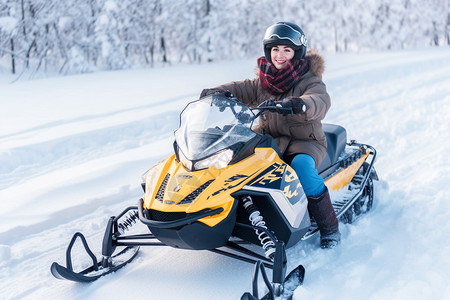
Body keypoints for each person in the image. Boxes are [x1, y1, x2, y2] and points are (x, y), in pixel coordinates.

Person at [200, 22, 340, 248]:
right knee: (233, 164)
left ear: (297, 53)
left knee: (302, 170)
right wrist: (216, 92)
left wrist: (300, 104)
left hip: (305, 143)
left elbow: (319, 100)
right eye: (275, 49)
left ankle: (330, 229)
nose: (280, 55)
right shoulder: (264, 81)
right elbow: (241, 87)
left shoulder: (310, 80)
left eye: (286, 50)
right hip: (267, 141)